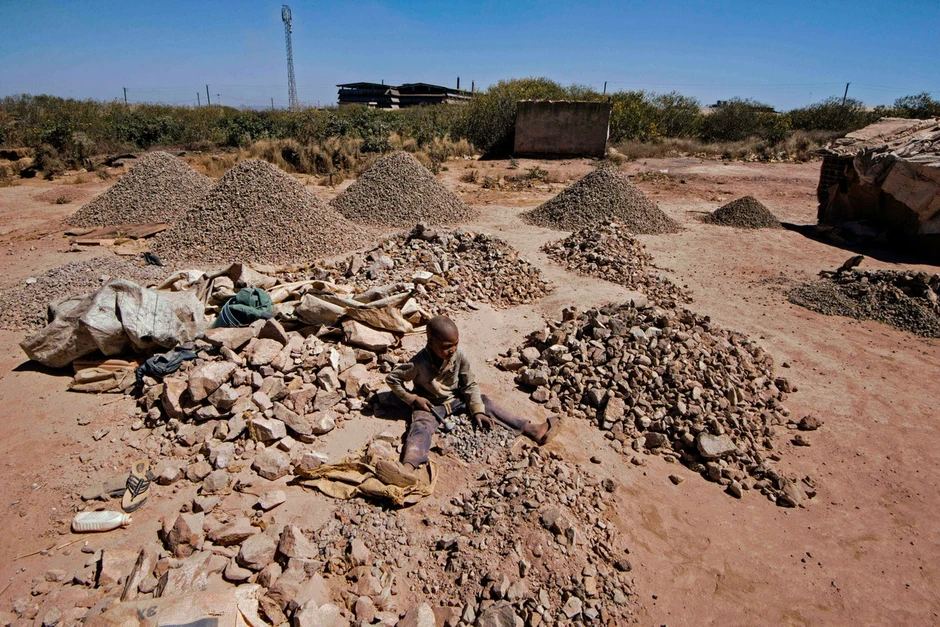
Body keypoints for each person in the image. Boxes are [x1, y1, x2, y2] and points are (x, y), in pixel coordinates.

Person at [380, 315, 560, 486]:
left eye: (455, 344)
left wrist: (477, 411)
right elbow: (393, 379)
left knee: (484, 401)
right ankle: (407, 468)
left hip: (456, 399)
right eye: (447, 346)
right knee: (421, 427)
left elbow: (470, 385)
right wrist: (413, 399)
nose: (452, 349)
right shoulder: (419, 362)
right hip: (430, 405)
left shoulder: (458, 357)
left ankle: (532, 429)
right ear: (431, 343)